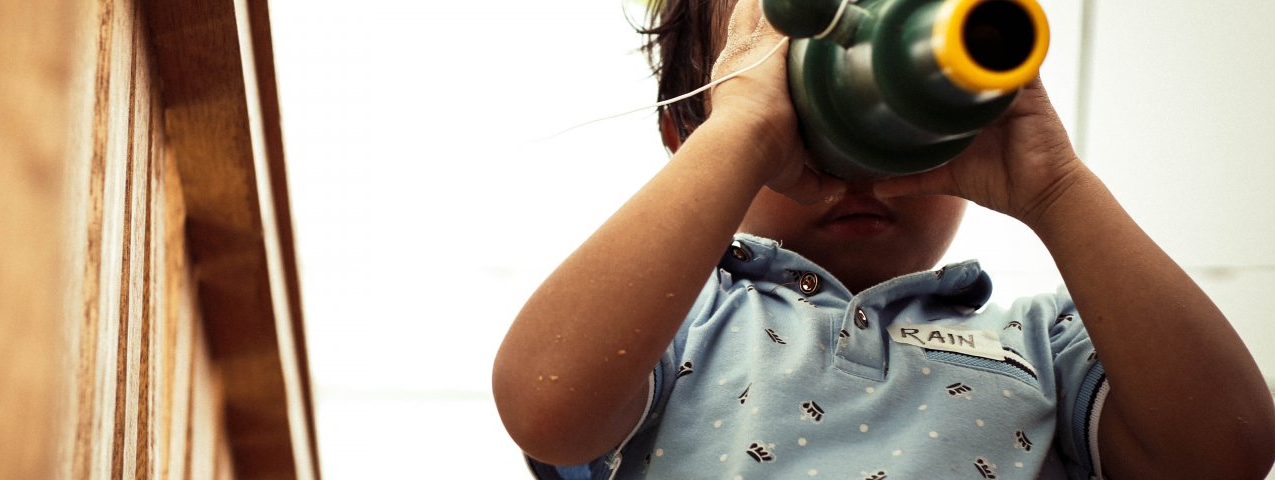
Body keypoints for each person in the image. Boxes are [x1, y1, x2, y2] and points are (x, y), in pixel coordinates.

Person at [492, 0, 1275, 478]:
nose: (857, 166)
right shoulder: (675, 324)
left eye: (899, 114)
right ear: (687, 135)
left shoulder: (1048, 344)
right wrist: (745, 131)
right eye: (797, 108)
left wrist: (1055, 187)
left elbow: (1227, 453)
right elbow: (544, 404)